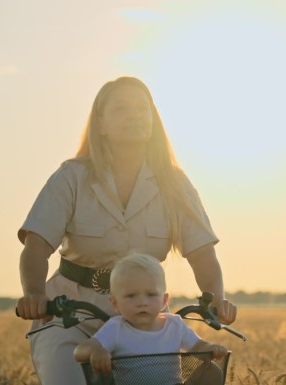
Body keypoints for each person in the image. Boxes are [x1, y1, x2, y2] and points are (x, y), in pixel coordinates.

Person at [15, 76, 237, 385]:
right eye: (121, 108)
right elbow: (36, 245)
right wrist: (35, 294)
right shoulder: (71, 177)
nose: (134, 115)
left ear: (152, 120)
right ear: (101, 124)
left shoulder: (174, 184)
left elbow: (203, 254)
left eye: (141, 109)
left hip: (144, 321)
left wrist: (215, 299)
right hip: (69, 314)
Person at [74, 253, 227, 385]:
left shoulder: (174, 324)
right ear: (115, 303)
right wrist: (96, 351)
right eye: (131, 296)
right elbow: (79, 351)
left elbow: (198, 346)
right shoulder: (115, 328)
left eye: (151, 295)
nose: (142, 302)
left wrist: (209, 348)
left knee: (212, 371)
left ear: (164, 301)